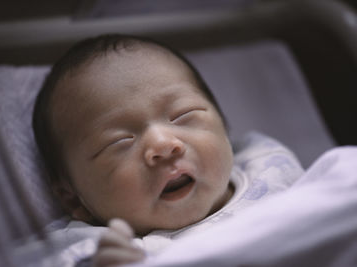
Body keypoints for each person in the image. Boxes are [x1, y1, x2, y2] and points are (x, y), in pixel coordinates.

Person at [32, 34, 304, 266]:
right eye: (119, 142)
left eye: (183, 115)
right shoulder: (102, 248)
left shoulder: (266, 164)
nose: (163, 145)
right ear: (73, 200)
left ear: (224, 128)